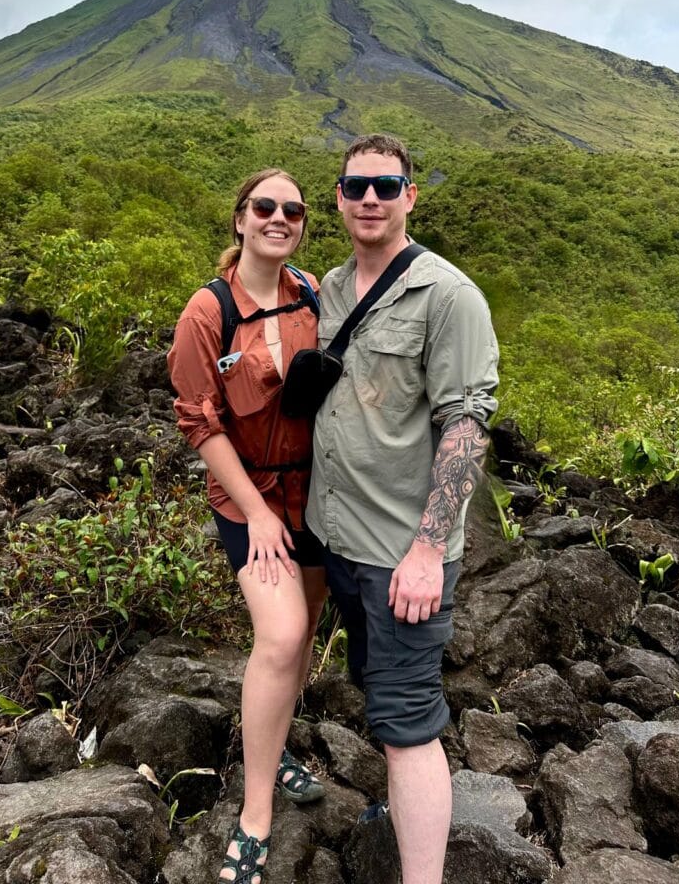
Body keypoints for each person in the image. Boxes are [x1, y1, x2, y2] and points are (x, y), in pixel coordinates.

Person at [306, 134, 499, 884]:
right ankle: (397, 809)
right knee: (380, 696)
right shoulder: (330, 287)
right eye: (357, 188)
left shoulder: (448, 295)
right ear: (340, 198)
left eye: (387, 187)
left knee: (409, 723)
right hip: (342, 541)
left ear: (411, 196)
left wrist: (427, 550)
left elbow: (464, 425)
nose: (371, 201)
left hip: (401, 555)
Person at [168, 169, 328, 884]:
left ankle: (277, 742)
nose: (279, 217)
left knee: (307, 628)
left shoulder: (313, 293)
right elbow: (199, 422)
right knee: (283, 633)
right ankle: (255, 813)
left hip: (319, 494)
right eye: (265, 206)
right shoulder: (208, 313)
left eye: (292, 210)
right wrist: (258, 512)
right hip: (249, 499)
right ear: (239, 219)